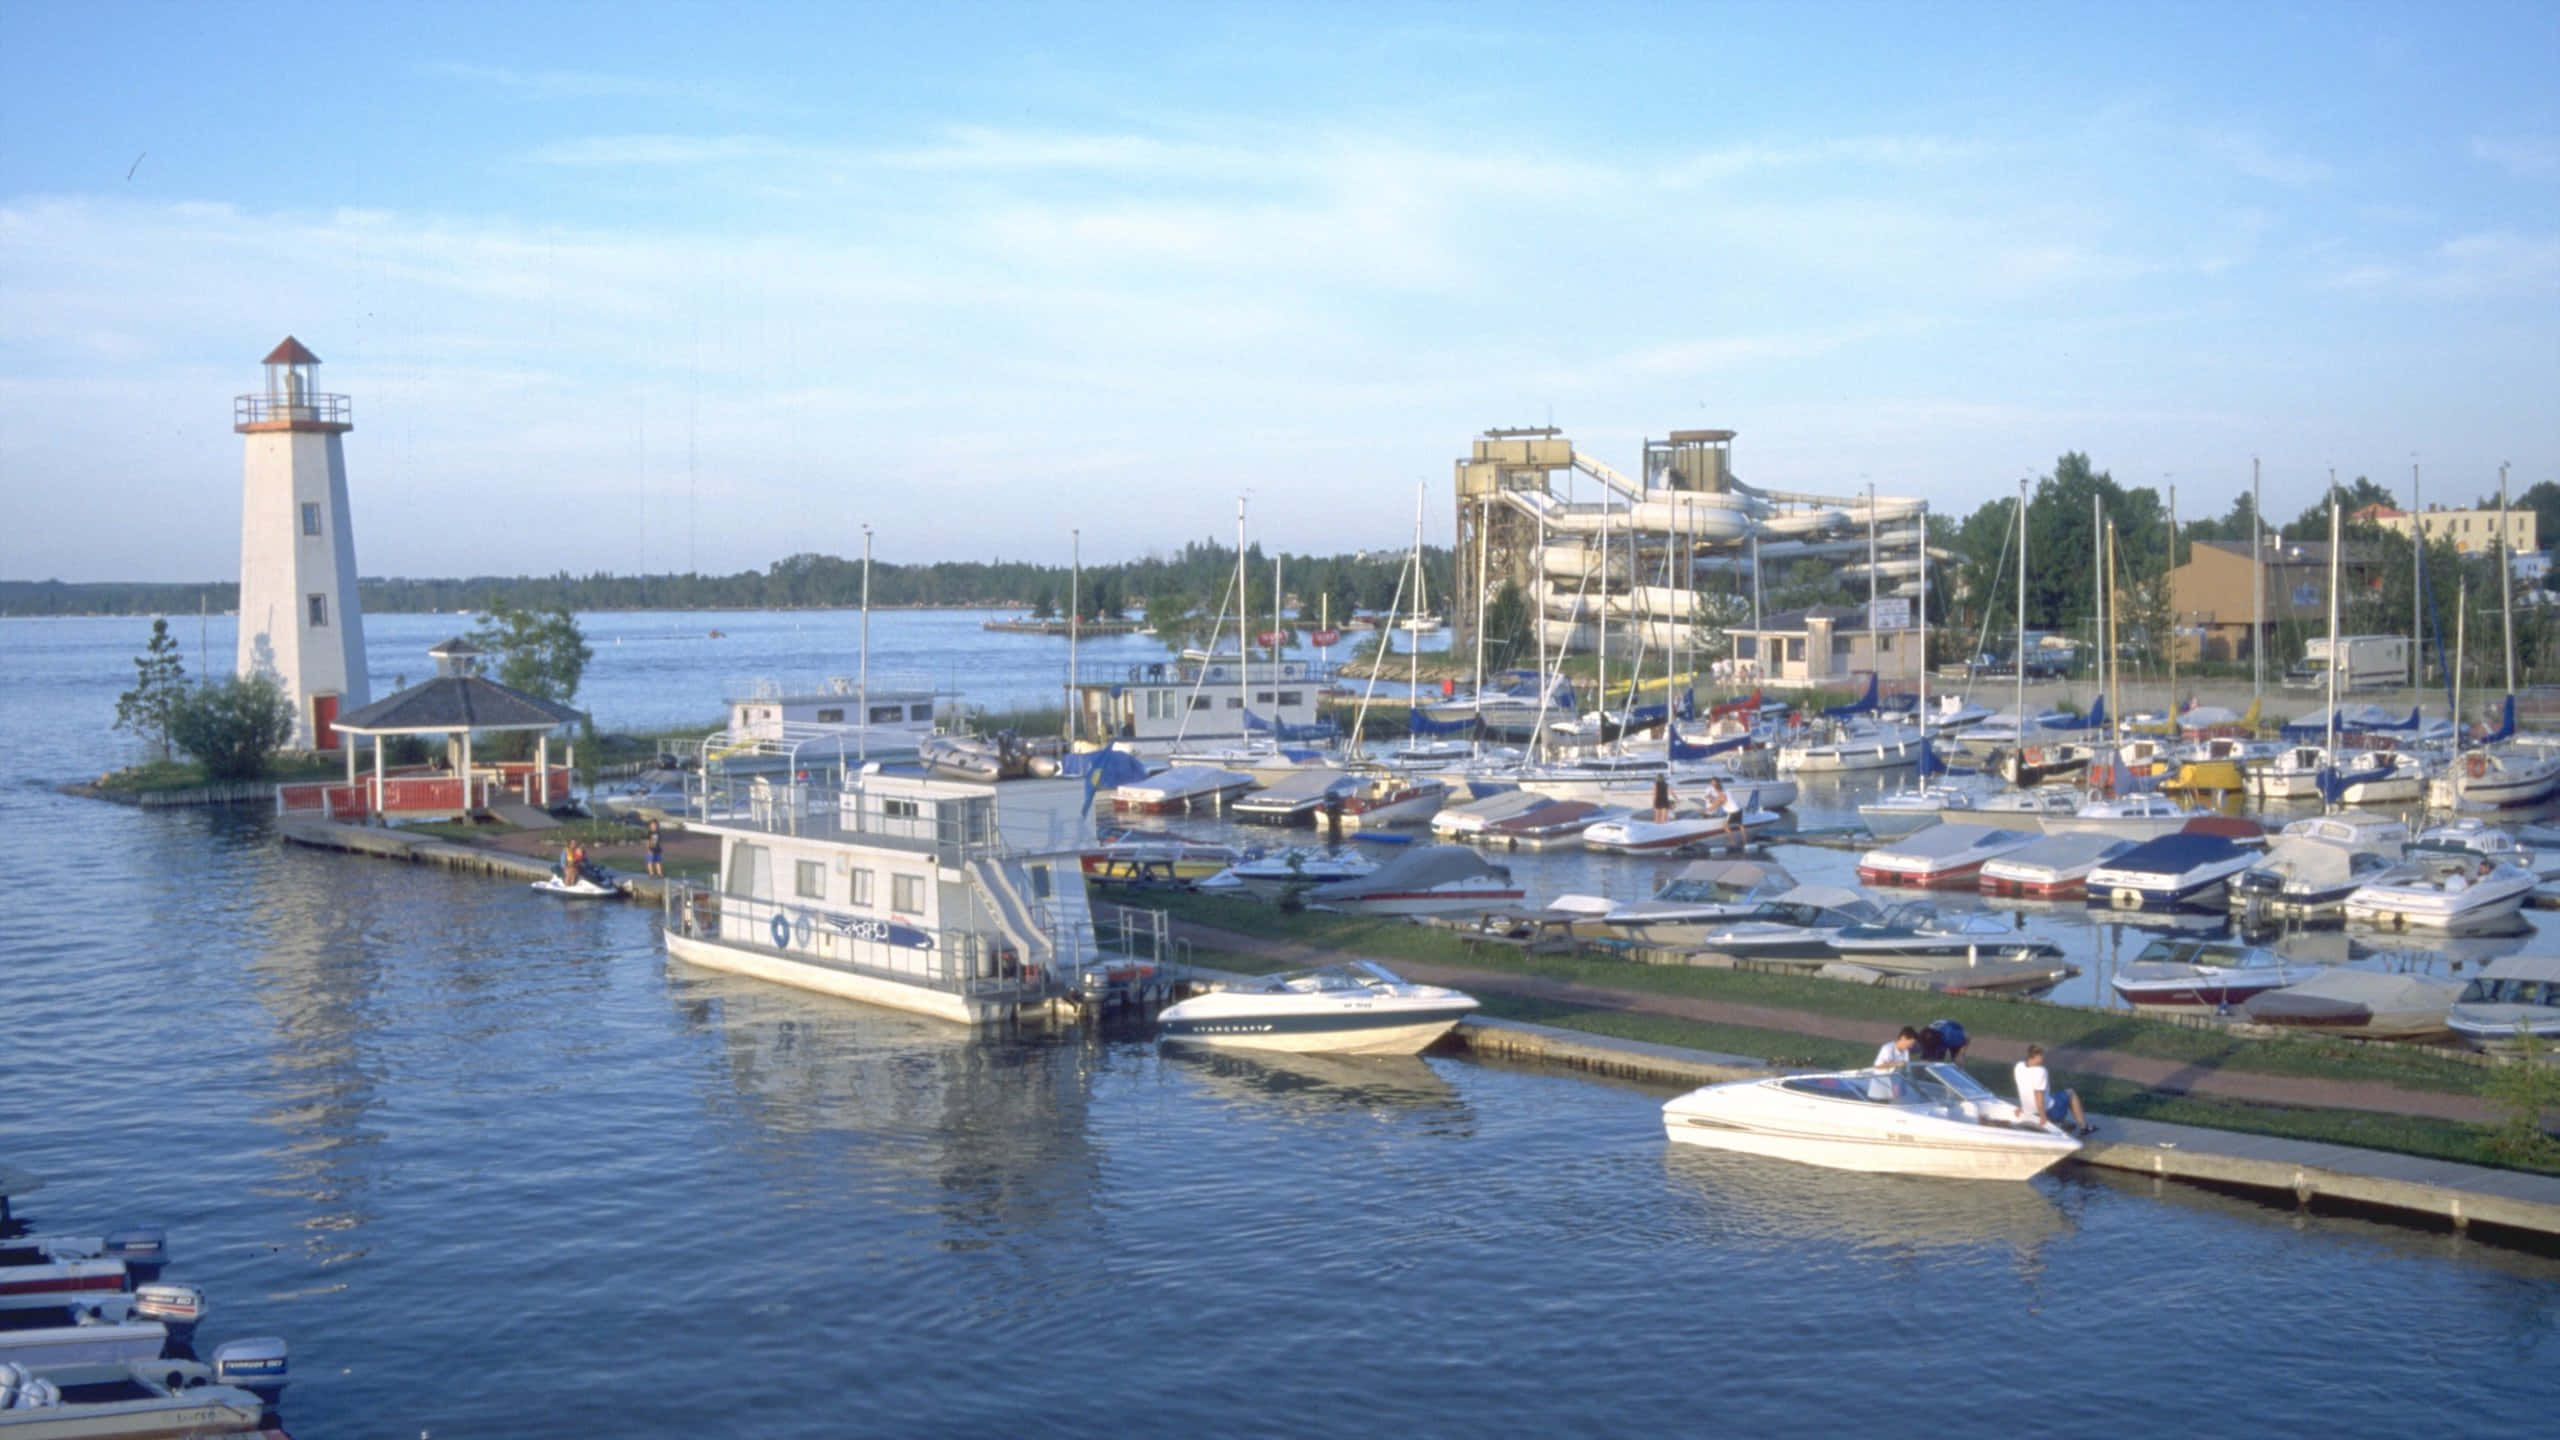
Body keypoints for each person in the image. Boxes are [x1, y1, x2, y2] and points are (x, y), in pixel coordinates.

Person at [2014, 1043, 2093, 1135]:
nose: (2043, 1057)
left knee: (2053, 1096)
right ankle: (2084, 1127)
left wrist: (2023, 1107)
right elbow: (2038, 1096)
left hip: (2028, 1110)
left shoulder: (2018, 1067)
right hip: (2049, 1112)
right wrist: (2043, 1117)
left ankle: (2061, 1123)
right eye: (2041, 1055)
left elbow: (2024, 1088)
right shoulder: (2041, 1071)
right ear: (2035, 1056)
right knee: (2070, 1092)